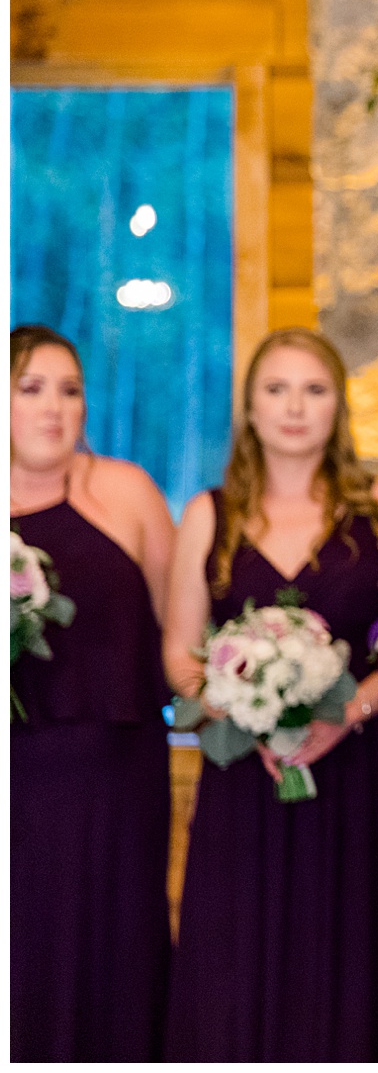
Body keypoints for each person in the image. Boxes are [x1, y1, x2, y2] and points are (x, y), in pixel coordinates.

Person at [162, 328, 378, 1061]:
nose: (295, 407)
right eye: (276, 389)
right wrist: (244, 715)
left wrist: (349, 708)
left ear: (338, 406)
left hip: (356, 784)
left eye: (314, 389)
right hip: (245, 784)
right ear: (248, 407)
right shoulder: (208, 517)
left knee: (353, 968)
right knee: (234, 976)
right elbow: (180, 657)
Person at [10, 326, 175, 1060]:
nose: (54, 407)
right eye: (31, 387)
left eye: (69, 390)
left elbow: (179, 638)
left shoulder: (127, 489)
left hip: (119, 781)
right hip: (15, 783)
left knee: (119, 952)